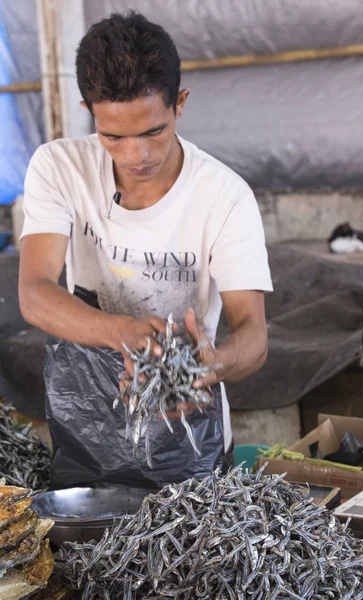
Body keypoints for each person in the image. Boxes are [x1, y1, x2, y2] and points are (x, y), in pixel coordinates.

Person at [18, 11, 272, 488]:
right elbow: (33, 293)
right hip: (85, 424)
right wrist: (123, 332)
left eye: (153, 131)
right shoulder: (59, 167)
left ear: (179, 103)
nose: (137, 156)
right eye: (113, 136)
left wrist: (210, 365)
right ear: (89, 110)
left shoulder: (224, 195)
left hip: (187, 430)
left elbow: (254, 334)